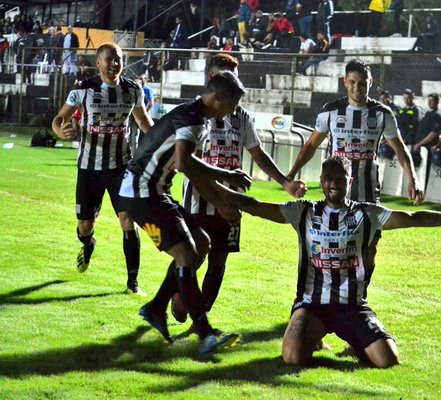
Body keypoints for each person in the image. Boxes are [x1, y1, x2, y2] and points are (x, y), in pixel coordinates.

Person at [215, 155, 441, 367]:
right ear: (321, 181)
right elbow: (257, 207)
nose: (334, 184)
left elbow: (414, 218)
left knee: (388, 361)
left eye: (340, 179)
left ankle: (356, 340)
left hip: (353, 306)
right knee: (291, 357)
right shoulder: (303, 212)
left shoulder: (367, 214)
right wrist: (216, 188)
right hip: (312, 306)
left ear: (349, 181)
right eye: (328, 178)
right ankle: (315, 338)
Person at [119, 71, 252, 354]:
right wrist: (227, 176)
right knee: (187, 255)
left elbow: (191, 168)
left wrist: (221, 199)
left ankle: (156, 309)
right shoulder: (191, 119)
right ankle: (205, 334)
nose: (233, 112)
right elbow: (185, 164)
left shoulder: (195, 116)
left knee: (201, 244)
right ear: (217, 98)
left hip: (155, 191)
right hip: (141, 192)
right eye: (231, 105)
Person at [173, 53, 307, 324]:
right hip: (199, 196)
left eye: (236, 73)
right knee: (194, 253)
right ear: (212, 77)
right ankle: (175, 294)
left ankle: (203, 315)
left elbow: (257, 153)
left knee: (219, 259)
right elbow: (187, 162)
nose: (234, 77)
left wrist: (285, 182)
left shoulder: (242, 116)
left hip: (233, 200)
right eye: (226, 73)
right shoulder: (196, 114)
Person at [51, 42, 154, 294]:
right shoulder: (83, 90)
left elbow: (143, 122)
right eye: (109, 59)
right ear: (98, 63)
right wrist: (61, 131)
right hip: (89, 167)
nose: (114, 64)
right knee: (85, 225)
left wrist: (162, 143)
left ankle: (132, 283)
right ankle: (88, 243)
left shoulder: (132, 90)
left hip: (122, 167)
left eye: (118, 59)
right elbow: (59, 119)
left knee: (128, 220)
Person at [287, 58, 424, 205]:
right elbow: (311, 146)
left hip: (368, 193)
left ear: (370, 82)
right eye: (352, 82)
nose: (357, 87)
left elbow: (400, 150)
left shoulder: (383, 114)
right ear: (344, 81)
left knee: (368, 228)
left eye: (362, 83)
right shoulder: (331, 111)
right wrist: (291, 175)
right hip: (335, 193)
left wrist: (413, 179)